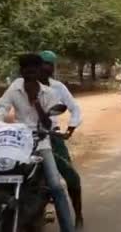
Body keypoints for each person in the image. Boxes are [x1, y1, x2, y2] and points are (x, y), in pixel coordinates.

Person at [0, 54, 75, 232]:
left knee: (56, 186)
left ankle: (68, 228)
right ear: (21, 71)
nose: (30, 73)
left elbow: (49, 123)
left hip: (41, 143)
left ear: (40, 71)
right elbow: (1, 110)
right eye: (26, 69)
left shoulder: (48, 93)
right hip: (16, 143)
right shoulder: (14, 89)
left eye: (34, 69)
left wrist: (36, 102)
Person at [38, 51, 84, 228]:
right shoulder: (22, 86)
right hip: (25, 137)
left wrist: (70, 129)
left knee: (71, 177)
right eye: (41, 63)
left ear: (53, 68)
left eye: (49, 64)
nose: (44, 67)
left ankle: (78, 215)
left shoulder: (58, 88)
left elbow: (75, 109)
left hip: (51, 136)